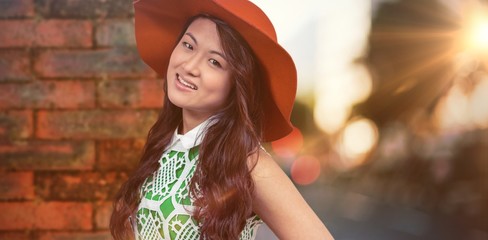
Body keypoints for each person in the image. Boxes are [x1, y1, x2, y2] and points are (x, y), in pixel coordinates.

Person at [110, 0, 334, 239]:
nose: (190, 66)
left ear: (237, 83)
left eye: (215, 62)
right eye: (188, 45)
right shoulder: (164, 145)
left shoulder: (248, 163)